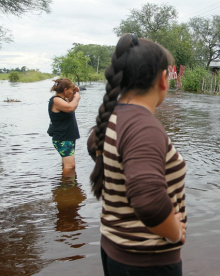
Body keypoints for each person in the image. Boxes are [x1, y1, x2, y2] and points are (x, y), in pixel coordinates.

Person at [88, 33, 187, 276]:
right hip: (146, 261)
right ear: (163, 79)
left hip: (116, 247)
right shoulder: (143, 127)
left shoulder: (114, 116)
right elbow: (149, 200)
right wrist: (175, 234)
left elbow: (95, 148)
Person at [48, 78, 81, 174]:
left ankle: (66, 186)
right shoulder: (56, 100)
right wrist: (77, 97)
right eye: (70, 90)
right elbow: (71, 107)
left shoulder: (63, 100)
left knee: (67, 166)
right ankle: (67, 187)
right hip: (63, 138)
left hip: (67, 137)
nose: (71, 92)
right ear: (65, 90)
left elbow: (70, 102)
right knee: (70, 167)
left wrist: (74, 92)